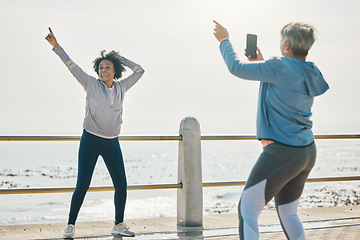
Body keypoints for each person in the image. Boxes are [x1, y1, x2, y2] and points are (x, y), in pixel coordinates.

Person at [213, 21, 329, 240]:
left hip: (282, 153)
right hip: (307, 152)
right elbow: (284, 80)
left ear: (286, 44)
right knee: (288, 212)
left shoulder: (277, 66)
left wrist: (224, 40)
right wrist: (261, 62)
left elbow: (235, 68)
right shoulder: (310, 70)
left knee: (247, 209)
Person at [45, 27, 145, 238]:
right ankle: (70, 226)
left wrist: (122, 58)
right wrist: (57, 47)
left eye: (108, 67)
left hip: (112, 143)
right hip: (91, 140)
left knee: (121, 184)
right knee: (83, 184)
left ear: (115, 71)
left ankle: (118, 224)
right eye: (101, 67)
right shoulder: (91, 83)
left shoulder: (122, 87)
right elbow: (71, 66)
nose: (103, 70)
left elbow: (140, 71)